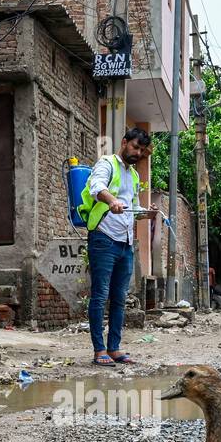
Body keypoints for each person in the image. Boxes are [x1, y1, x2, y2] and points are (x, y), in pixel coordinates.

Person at [79, 128, 158, 366]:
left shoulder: (133, 175)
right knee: (100, 295)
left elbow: (133, 209)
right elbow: (96, 187)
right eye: (135, 147)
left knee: (120, 297)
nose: (138, 153)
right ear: (124, 143)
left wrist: (148, 214)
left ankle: (114, 347)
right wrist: (112, 200)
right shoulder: (107, 163)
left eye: (142, 150)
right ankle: (99, 350)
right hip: (103, 237)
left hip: (125, 242)